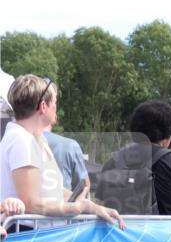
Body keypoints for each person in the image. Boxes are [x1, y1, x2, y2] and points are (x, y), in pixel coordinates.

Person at [0, 75, 124, 230]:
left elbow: (51, 190)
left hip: (40, 236)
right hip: (31, 236)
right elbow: (31, 203)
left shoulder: (34, 138)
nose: (56, 108)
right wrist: (78, 208)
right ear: (43, 106)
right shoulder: (22, 140)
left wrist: (92, 207)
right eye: (55, 103)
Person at [44, 129, 89, 197]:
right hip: (62, 204)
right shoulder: (69, 145)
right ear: (55, 118)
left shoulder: (25, 142)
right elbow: (84, 186)